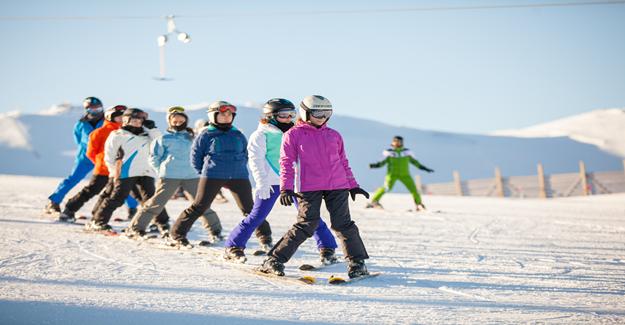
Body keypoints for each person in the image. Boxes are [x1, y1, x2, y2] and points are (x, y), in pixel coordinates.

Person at [258, 95, 370, 279]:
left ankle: (357, 264)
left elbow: (343, 162)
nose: (323, 117)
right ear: (306, 112)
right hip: (309, 186)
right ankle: (274, 260)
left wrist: (353, 185)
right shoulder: (293, 134)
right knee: (306, 224)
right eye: (318, 112)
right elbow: (286, 162)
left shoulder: (334, 135)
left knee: (344, 225)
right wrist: (286, 188)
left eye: (327, 113)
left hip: (337, 185)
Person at [224, 98, 338, 263]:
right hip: (271, 182)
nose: (288, 118)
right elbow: (256, 160)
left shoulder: (297, 132)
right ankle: (234, 246)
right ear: (270, 115)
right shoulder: (261, 134)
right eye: (284, 115)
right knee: (257, 216)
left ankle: (327, 248)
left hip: (296, 182)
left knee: (310, 217)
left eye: (291, 114)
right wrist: (261, 182)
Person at [168, 101, 272, 249]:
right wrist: (204, 172)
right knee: (199, 206)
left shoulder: (238, 134)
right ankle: (177, 234)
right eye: (222, 114)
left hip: (238, 176)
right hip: (213, 175)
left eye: (229, 114)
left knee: (250, 209)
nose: (226, 117)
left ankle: (265, 238)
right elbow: (196, 156)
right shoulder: (206, 134)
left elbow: (245, 154)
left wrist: (240, 167)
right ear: (213, 116)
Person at [125, 106, 223, 240]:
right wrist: (161, 171)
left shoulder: (192, 137)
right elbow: (154, 157)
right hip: (169, 176)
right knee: (156, 203)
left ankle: (215, 231)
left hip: (191, 176)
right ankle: (136, 228)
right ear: (170, 122)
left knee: (202, 204)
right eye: (174, 121)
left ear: (185, 121)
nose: (178, 123)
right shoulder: (163, 138)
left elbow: (202, 153)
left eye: (181, 121)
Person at [86, 108, 169, 232]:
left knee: (151, 199)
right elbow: (109, 155)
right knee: (117, 198)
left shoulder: (147, 133)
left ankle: (161, 223)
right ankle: (98, 221)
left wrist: (153, 129)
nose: (137, 122)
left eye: (140, 120)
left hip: (145, 171)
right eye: (134, 120)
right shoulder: (118, 135)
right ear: (126, 120)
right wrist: (113, 171)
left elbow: (160, 143)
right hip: (126, 172)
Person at [58, 105, 138, 222]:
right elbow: (91, 152)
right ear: (111, 117)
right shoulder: (99, 132)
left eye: (124, 117)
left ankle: (97, 215)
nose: (122, 120)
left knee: (109, 194)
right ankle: (68, 211)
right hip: (103, 170)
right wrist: (101, 162)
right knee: (91, 191)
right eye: (119, 117)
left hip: (119, 171)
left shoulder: (126, 133)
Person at [44, 97, 104, 215]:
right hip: (85, 157)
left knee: (118, 179)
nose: (96, 112)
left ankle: (132, 208)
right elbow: (77, 139)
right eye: (93, 110)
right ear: (87, 110)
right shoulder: (81, 124)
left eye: (98, 109)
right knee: (73, 178)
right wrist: (86, 149)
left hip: (102, 157)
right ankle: (53, 202)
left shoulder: (107, 121)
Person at [367, 136, 434, 211]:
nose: (397, 143)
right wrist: (374, 165)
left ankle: (419, 204)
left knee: (413, 189)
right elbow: (382, 162)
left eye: (399, 141)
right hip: (392, 175)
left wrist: (424, 168)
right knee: (386, 188)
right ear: (392, 142)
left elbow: (415, 162)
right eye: (396, 141)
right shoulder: (389, 152)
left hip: (405, 175)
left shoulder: (406, 152)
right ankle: (374, 202)